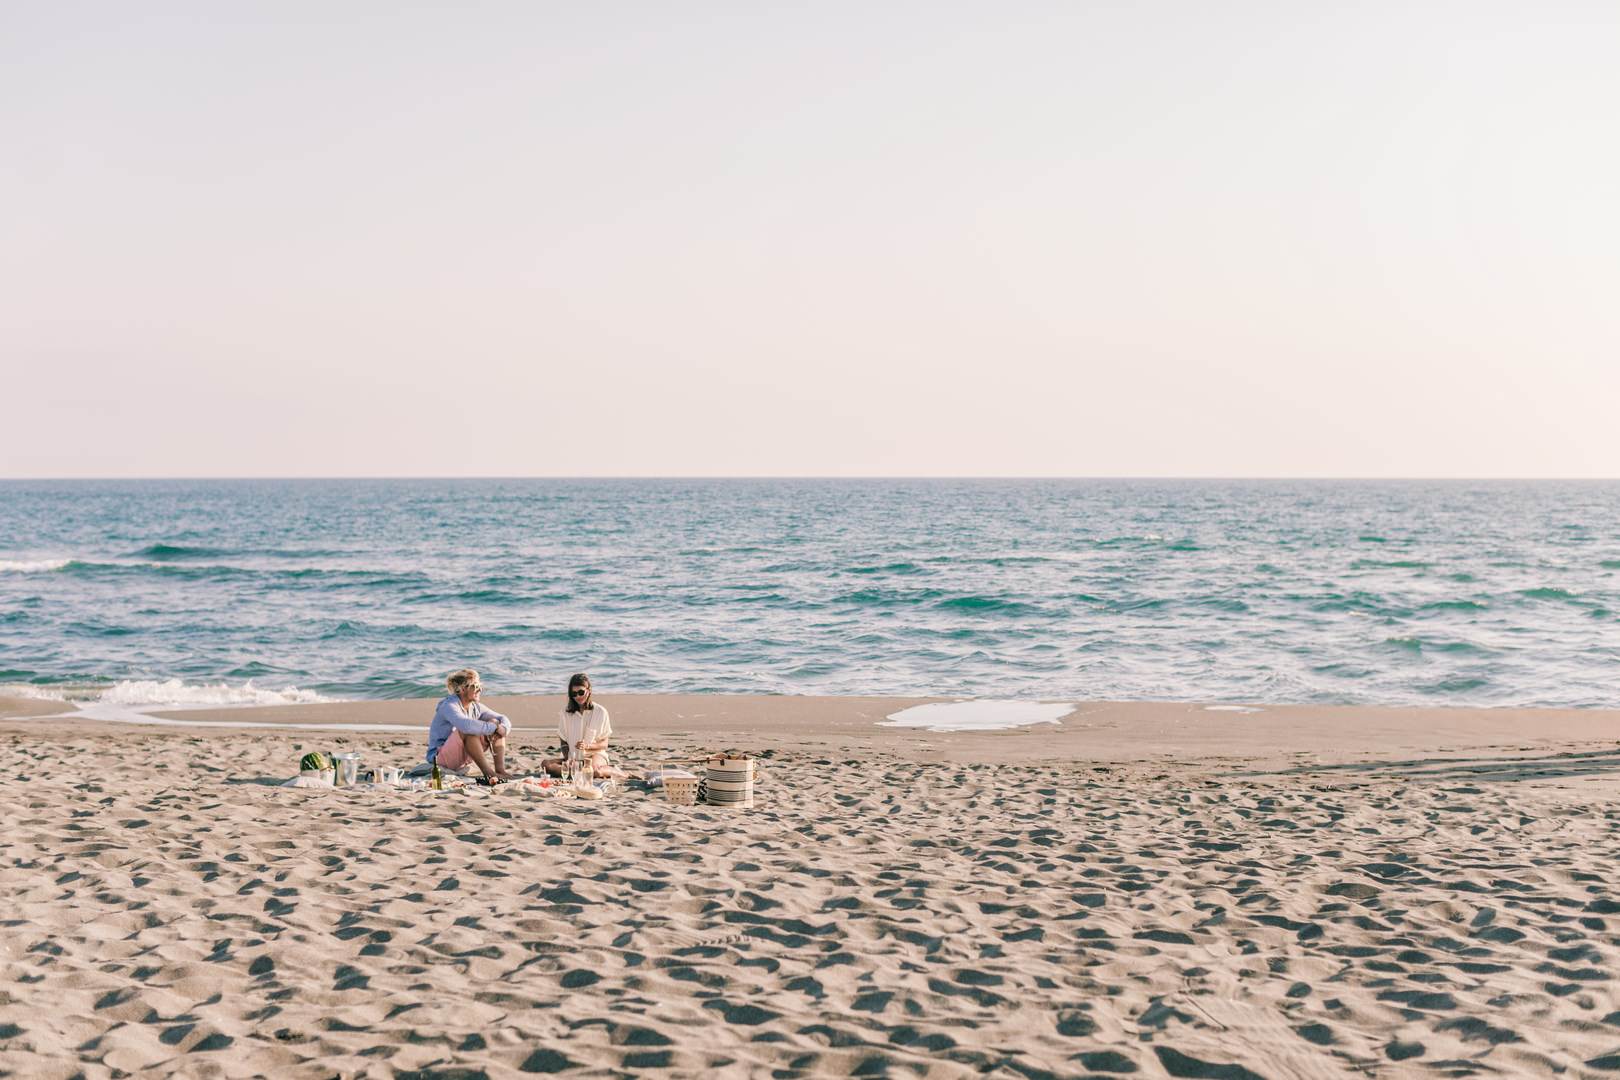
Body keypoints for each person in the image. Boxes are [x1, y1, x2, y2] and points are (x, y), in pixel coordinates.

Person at [426, 668, 514, 784]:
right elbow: (466, 726)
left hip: (460, 759)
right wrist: (493, 727)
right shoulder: (449, 705)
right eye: (476, 686)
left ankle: (500, 770)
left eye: (480, 686)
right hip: (440, 758)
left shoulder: (475, 706)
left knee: (495, 722)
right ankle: (488, 772)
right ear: (463, 689)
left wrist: (502, 728)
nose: (480, 690)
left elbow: (502, 718)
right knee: (469, 730)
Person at [543, 672, 624, 779]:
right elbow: (563, 741)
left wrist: (587, 746)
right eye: (574, 694)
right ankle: (581, 771)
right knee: (546, 765)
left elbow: (604, 744)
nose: (578, 696)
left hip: (595, 756)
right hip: (574, 758)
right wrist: (568, 758)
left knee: (595, 772)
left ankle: (623, 773)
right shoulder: (565, 713)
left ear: (589, 690)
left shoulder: (601, 712)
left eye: (581, 692)